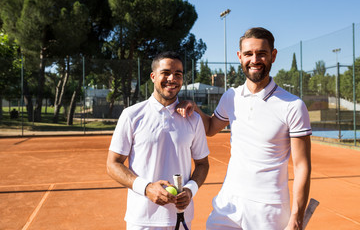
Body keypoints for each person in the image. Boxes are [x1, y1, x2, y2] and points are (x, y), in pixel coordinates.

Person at [176, 27, 312, 230]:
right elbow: (212, 127)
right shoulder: (231, 96)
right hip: (228, 203)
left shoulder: (293, 105)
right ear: (240, 57)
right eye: (248, 54)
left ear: (273, 56)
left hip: (269, 210)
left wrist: (297, 216)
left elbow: (302, 166)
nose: (254, 59)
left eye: (262, 53)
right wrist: (195, 109)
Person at [107, 51, 210, 230]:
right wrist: (146, 188)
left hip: (181, 217)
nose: (172, 78)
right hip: (141, 220)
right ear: (153, 76)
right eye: (166, 73)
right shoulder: (131, 115)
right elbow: (113, 164)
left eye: (178, 74)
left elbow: (202, 164)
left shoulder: (193, 119)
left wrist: (190, 189)